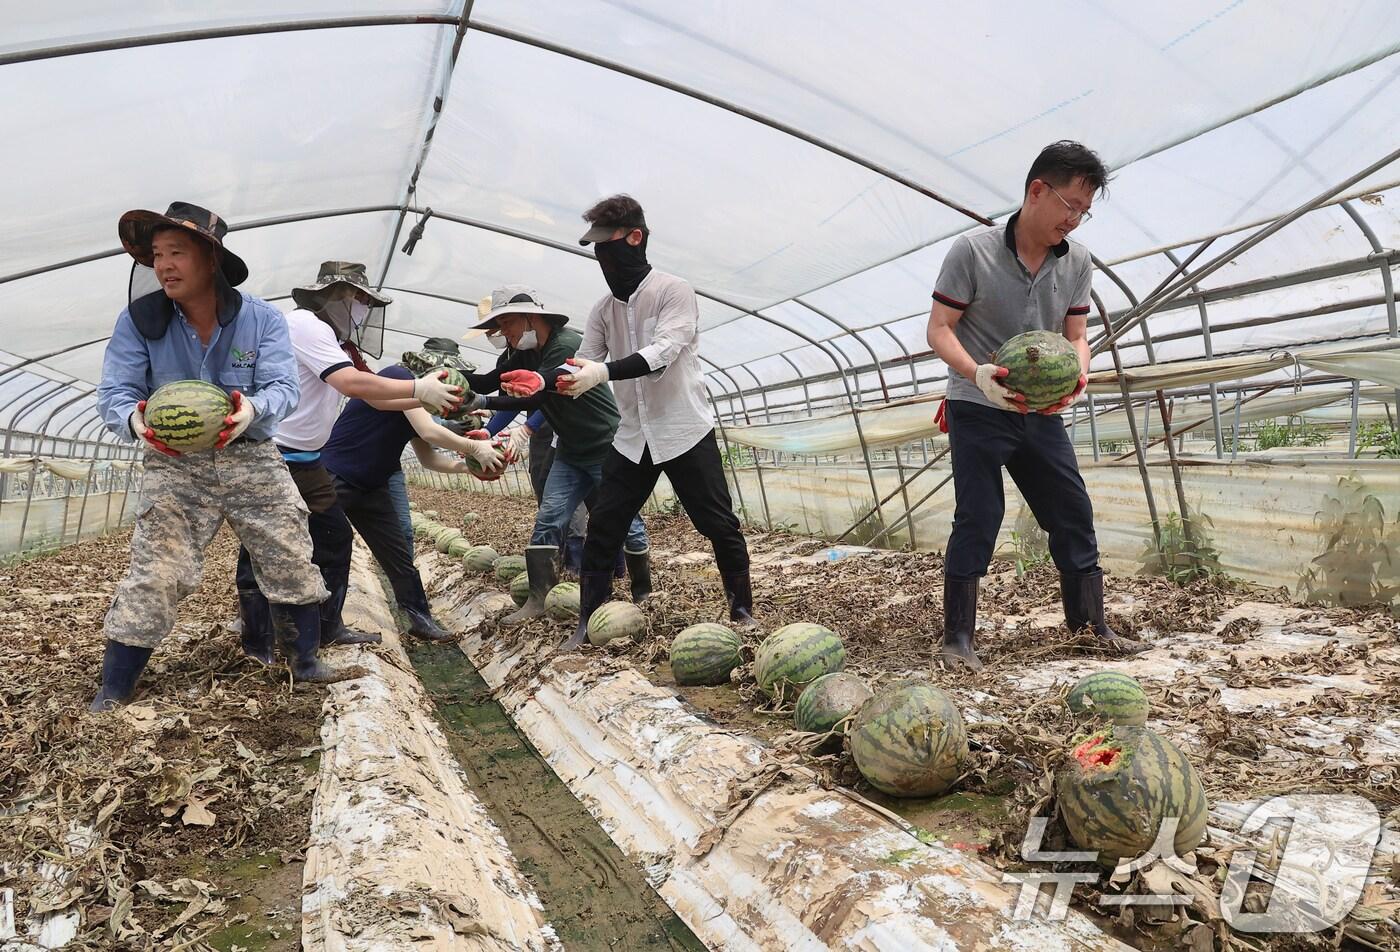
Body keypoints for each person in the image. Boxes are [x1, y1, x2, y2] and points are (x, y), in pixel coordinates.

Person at [91, 202, 339, 709]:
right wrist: (136, 421)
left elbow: (283, 387)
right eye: (157, 255)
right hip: (175, 463)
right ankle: (114, 688)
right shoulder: (138, 321)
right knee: (158, 570)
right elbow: (116, 390)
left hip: (251, 456)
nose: (163, 265)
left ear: (211, 259)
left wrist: (251, 410)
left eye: (176, 252)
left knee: (289, 554)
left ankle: (306, 663)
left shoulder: (262, 319)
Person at [925, 141, 1147, 671]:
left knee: (1071, 510)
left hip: (1042, 411)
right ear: (1036, 191)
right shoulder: (971, 252)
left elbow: (1076, 336)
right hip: (977, 405)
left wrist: (1079, 375)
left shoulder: (1078, 262)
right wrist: (977, 373)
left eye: (1084, 212)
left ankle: (1090, 627)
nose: (1075, 220)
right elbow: (939, 329)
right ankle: (958, 638)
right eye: (1070, 206)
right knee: (979, 514)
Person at [502, 195, 753, 649]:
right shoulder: (603, 310)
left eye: (607, 244)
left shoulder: (674, 291)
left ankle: (742, 611)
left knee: (717, 522)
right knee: (604, 527)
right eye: (596, 248)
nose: (602, 256)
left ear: (635, 238)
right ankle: (588, 620)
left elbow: (662, 352)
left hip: (684, 430)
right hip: (633, 435)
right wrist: (541, 380)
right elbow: (580, 364)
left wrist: (601, 373)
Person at [234, 261, 463, 660]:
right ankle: (257, 640)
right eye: (358, 299)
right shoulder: (305, 325)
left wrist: (424, 399)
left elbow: (376, 397)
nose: (362, 309)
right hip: (275, 452)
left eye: (366, 302)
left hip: (309, 459)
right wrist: (418, 388)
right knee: (264, 544)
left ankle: (330, 627)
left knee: (335, 537)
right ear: (333, 295)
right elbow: (349, 383)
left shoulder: (340, 345)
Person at [469, 285, 650, 624]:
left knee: (625, 520)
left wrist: (490, 406)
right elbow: (489, 381)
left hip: (604, 445)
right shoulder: (522, 353)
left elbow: (537, 395)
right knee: (549, 516)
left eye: (507, 323)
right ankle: (539, 598)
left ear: (530, 318)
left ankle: (643, 591)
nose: (503, 333)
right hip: (570, 450)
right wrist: (446, 382)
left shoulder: (566, 344)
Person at [320, 338, 506, 639]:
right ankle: (326, 626)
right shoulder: (399, 377)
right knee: (330, 549)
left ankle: (421, 620)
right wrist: (474, 448)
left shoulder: (417, 402)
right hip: (337, 476)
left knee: (398, 556)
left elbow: (428, 458)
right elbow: (429, 431)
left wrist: (467, 468)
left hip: (372, 484)